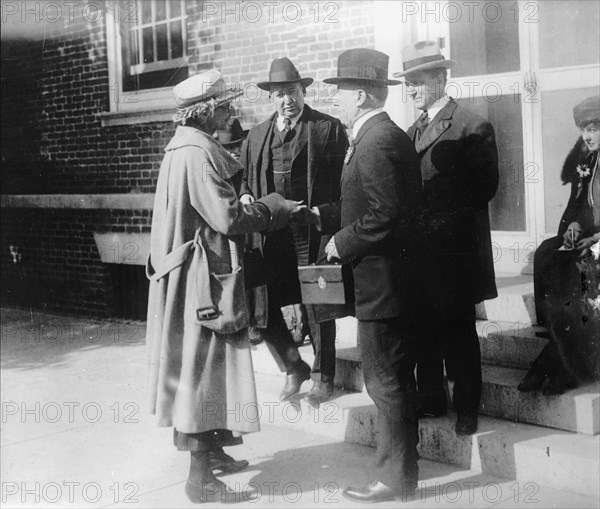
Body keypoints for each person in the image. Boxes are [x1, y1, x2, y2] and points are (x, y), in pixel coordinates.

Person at [145, 70, 301, 504]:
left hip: (190, 279)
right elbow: (228, 219)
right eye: (226, 105)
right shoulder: (198, 154)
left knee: (201, 369)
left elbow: (211, 209)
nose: (232, 111)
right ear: (208, 110)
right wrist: (275, 207)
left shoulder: (184, 148)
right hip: (203, 287)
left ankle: (212, 453)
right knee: (203, 373)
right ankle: (201, 482)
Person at [323, 48, 423, 503]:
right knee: (391, 381)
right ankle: (401, 472)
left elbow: (386, 213)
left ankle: (395, 478)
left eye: (341, 92)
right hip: (390, 282)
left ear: (360, 94)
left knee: (385, 383)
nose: (337, 101)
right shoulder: (382, 135)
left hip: (384, 286)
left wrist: (343, 241)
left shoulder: (376, 140)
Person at [393, 40, 499, 435]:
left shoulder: (471, 125)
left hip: (456, 251)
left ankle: (467, 407)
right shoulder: (409, 131)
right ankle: (431, 399)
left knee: (457, 329)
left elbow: (484, 187)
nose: (413, 90)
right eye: (409, 84)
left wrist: (437, 218)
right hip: (420, 253)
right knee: (421, 327)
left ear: (440, 78)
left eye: (419, 81)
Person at [239, 57, 348, 406]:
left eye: (292, 91)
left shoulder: (328, 129)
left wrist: (325, 217)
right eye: (279, 94)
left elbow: (346, 186)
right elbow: (243, 177)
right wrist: (245, 194)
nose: (287, 100)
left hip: (312, 230)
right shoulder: (257, 135)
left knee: (318, 303)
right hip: (272, 234)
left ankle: (323, 376)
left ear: (304, 91)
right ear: (271, 98)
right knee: (263, 302)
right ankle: (292, 364)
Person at [521, 96, 600, 394]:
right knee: (547, 253)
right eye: (584, 130)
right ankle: (550, 335)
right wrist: (576, 227)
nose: (588, 136)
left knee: (580, 271)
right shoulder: (589, 161)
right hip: (592, 238)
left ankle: (556, 364)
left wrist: (593, 239)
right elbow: (582, 206)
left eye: (594, 128)